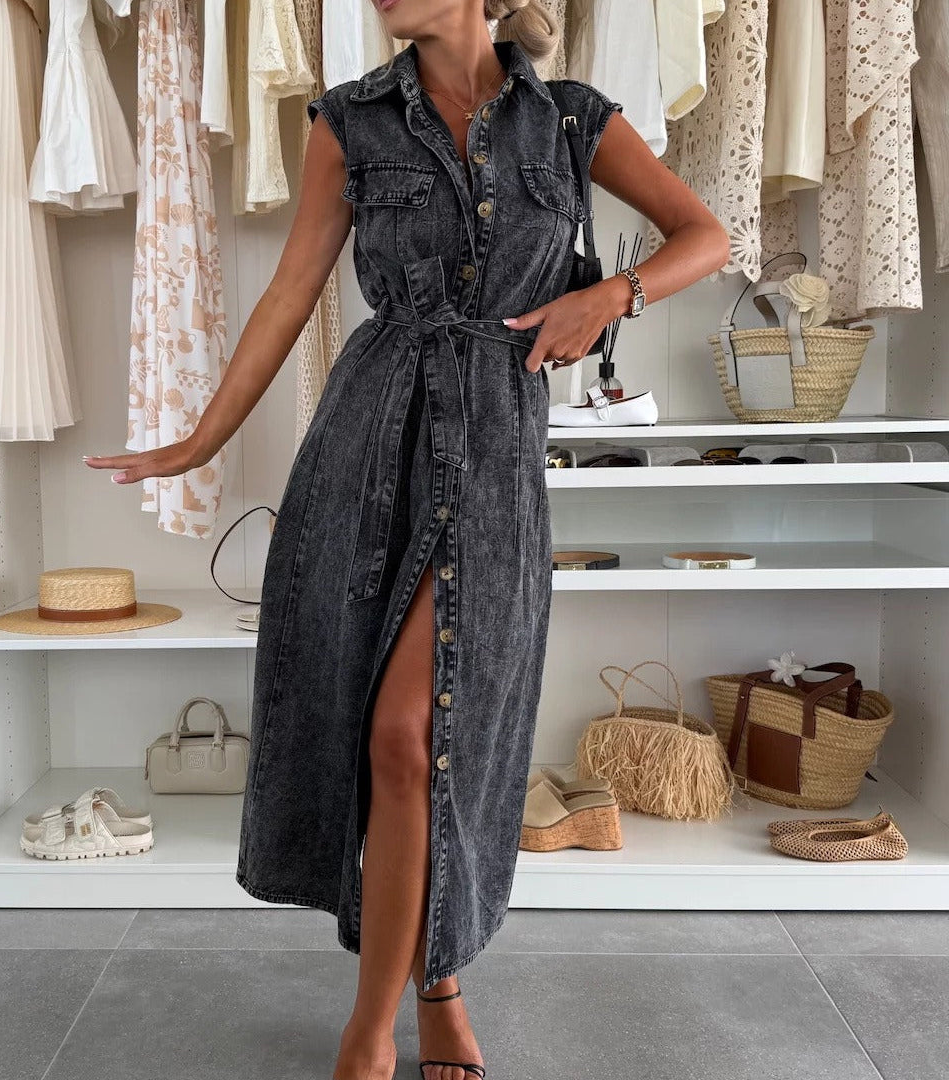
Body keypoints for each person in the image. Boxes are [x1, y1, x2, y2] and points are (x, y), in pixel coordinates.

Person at [86, 2, 730, 1077]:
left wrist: (610, 298)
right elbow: (290, 294)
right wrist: (199, 439)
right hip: (369, 447)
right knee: (394, 742)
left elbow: (706, 237)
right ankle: (414, 1001)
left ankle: (383, 1019)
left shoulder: (571, 120)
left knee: (422, 737)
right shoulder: (347, 122)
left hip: (494, 458)